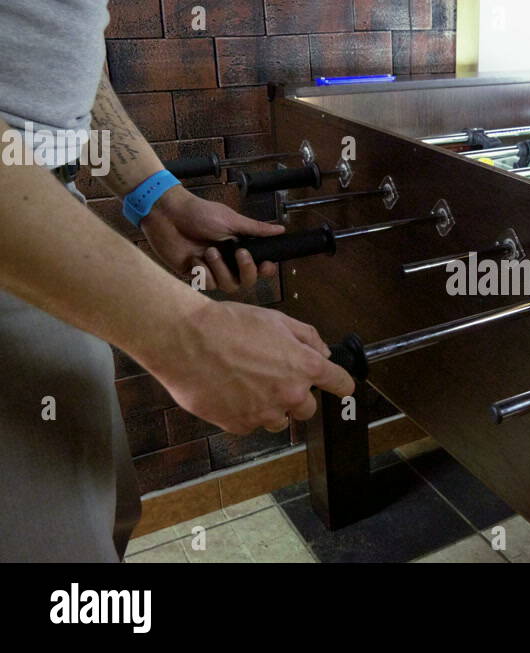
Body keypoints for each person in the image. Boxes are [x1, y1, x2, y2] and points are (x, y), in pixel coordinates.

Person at [0, 1, 354, 562]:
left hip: (41, 207)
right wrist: (186, 332)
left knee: (107, 520)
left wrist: (156, 199)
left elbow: (49, 50)